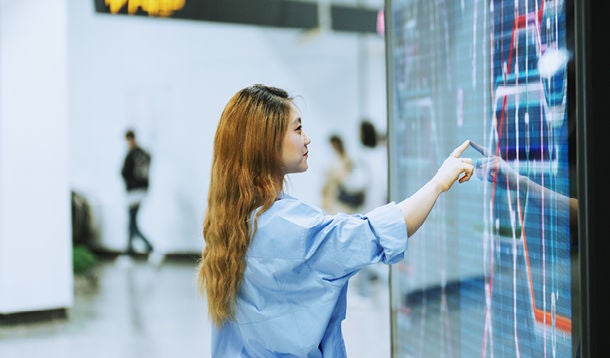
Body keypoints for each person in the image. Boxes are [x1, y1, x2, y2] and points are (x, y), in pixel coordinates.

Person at [197, 84, 474, 357]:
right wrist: (438, 183)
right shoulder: (289, 227)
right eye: (297, 129)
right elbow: (379, 232)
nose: (307, 138)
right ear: (266, 144)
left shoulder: (231, 222)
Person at [120, 129, 154, 259]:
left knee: (131, 223)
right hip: (142, 190)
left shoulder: (132, 154)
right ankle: (129, 251)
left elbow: (124, 172)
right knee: (131, 221)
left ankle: (149, 247)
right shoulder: (144, 154)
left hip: (134, 191)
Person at [321, 134, 367, 214]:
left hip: (343, 199)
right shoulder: (333, 160)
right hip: (334, 197)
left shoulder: (347, 160)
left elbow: (346, 179)